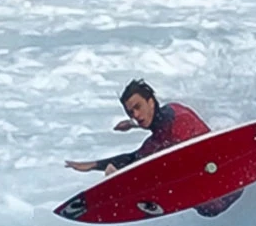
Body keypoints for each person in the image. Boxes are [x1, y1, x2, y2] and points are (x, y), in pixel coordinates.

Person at [64, 80, 241, 217]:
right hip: (213, 199)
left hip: (224, 186)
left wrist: (133, 125)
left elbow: (162, 120)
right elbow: (136, 156)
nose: (136, 114)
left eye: (138, 107)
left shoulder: (170, 120)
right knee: (135, 162)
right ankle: (117, 179)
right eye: (130, 112)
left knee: (135, 166)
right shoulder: (159, 134)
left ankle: (118, 181)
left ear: (151, 102)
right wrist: (92, 165)